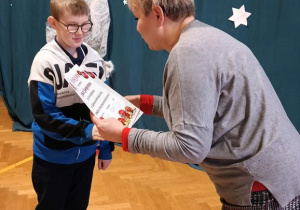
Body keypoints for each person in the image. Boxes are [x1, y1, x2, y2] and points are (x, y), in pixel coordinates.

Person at [90, 0, 300, 209]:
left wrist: (124, 135)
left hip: (263, 187)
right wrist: (145, 103)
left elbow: (189, 147)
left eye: (137, 18)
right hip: (283, 173)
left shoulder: (187, 53)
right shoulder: (205, 37)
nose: (137, 27)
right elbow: (202, 112)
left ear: (157, 14)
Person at [27, 0, 114, 209]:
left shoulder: (94, 60)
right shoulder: (44, 62)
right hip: (52, 157)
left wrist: (105, 149)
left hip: (86, 156)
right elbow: (45, 117)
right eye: (72, 25)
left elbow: (103, 109)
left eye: (86, 25)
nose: (80, 32)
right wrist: (87, 131)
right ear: (53, 23)